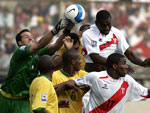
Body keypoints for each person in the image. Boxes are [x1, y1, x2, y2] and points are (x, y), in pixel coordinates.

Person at [0, 19, 74, 113]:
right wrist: (56, 29)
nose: (30, 38)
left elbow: (54, 47)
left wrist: (67, 31)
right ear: (20, 43)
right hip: (6, 98)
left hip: (24, 101)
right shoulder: (20, 51)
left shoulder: (37, 54)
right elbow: (39, 44)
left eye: (31, 36)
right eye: (26, 37)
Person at [67, 53, 150, 113]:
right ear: (115, 66)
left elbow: (146, 92)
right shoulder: (95, 77)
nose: (127, 67)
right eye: (124, 63)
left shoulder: (127, 81)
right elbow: (71, 83)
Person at [81, 10, 150, 72]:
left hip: (111, 71)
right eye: (103, 26)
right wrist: (117, 65)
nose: (107, 28)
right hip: (92, 72)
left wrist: (142, 63)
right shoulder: (88, 34)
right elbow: (95, 57)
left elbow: (129, 54)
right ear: (96, 23)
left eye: (108, 24)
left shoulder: (116, 33)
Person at [52, 49, 88, 113]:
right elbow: (51, 95)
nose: (81, 62)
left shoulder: (83, 75)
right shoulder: (55, 76)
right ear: (73, 62)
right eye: (79, 59)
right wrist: (64, 85)